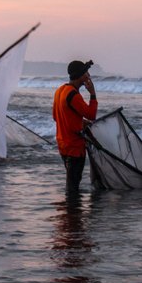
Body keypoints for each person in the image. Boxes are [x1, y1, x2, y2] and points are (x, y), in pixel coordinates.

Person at [52, 60, 98, 195]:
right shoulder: (74, 95)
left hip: (63, 145)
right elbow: (91, 115)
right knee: (72, 188)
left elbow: (56, 116)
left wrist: (80, 122)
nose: (88, 75)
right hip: (75, 148)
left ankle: (71, 206)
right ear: (80, 75)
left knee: (71, 184)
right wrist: (92, 94)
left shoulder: (60, 91)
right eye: (86, 73)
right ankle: (72, 208)